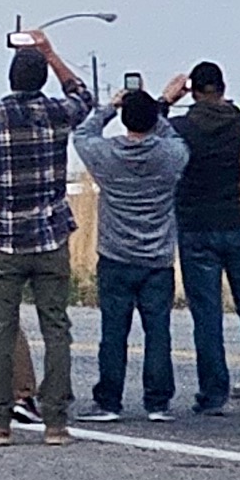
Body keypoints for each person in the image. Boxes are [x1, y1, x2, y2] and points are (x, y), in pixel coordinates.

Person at [0, 31, 93, 445]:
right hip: (50, 232)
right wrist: (52, 53)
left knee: (0, 328)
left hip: (3, 234)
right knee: (56, 327)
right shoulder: (57, 113)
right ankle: (55, 421)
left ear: (10, 76)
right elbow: (83, 96)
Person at [71, 86, 187, 423]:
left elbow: (82, 133)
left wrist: (109, 107)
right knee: (158, 329)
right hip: (158, 256)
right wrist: (157, 111)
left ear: (123, 120)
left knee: (113, 331)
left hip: (116, 253)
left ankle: (109, 400)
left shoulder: (106, 154)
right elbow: (177, 141)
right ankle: (158, 401)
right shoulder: (171, 155)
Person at [170, 60, 240, 417]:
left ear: (194, 91)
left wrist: (168, 98)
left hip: (196, 225)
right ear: (223, 88)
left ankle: (213, 394)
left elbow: (145, 125)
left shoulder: (179, 127)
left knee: (207, 314)